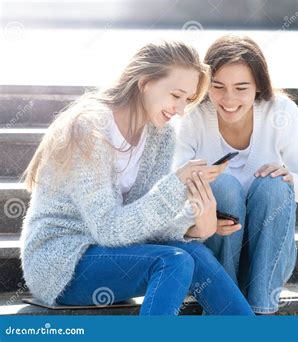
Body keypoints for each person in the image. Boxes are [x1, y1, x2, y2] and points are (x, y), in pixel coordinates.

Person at [20, 40, 254, 315]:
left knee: (195, 254)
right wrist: (176, 184)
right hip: (63, 262)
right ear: (144, 82)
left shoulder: (161, 133)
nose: (180, 110)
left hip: (115, 254)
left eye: (187, 100)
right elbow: (108, 229)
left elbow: (139, 226)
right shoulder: (89, 128)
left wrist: (192, 228)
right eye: (176, 95)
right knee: (174, 261)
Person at [172, 35, 298, 314]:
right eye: (217, 87)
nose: (228, 99)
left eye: (241, 87)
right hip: (212, 259)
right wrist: (200, 221)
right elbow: (167, 192)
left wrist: (291, 178)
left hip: (268, 259)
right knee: (221, 185)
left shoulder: (280, 112)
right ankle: (224, 306)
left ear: (258, 86)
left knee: (275, 185)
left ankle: (261, 312)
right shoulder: (194, 116)